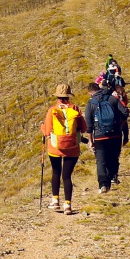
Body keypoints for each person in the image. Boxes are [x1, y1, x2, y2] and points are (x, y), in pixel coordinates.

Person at [40, 83, 87, 214]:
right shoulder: (75, 109)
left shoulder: (52, 110)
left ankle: (55, 201)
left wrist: (42, 127)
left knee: (56, 172)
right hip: (72, 148)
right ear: (68, 96)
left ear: (57, 96)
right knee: (67, 176)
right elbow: (84, 128)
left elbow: (47, 131)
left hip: (55, 148)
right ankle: (68, 205)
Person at [86, 75, 129, 192]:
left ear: (91, 93)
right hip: (115, 134)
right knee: (113, 158)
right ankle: (110, 179)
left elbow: (89, 126)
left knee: (101, 161)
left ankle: (102, 185)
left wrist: (91, 141)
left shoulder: (91, 104)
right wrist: (119, 126)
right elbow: (125, 112)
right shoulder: (112, 98)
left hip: (100, 137)